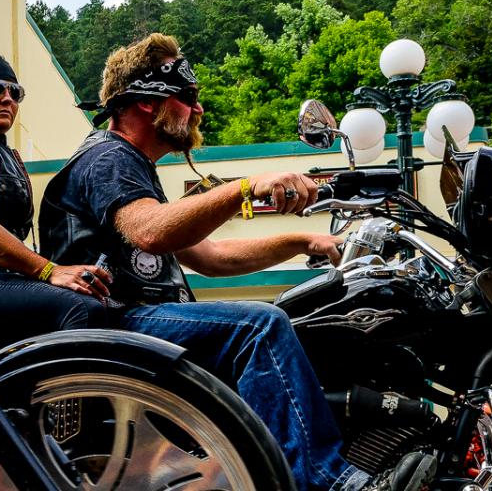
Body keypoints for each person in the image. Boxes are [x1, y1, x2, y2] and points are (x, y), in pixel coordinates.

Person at [39, 32, 430, 491]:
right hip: (116, 324)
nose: (198, 109)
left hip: (137, 325)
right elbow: (151, 230)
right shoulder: (108, 158)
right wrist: (246, 187)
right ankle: (328, 482)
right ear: (146, 103)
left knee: (295, 319)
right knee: (260, 326)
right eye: (187, 96)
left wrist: (305, 240)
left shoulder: (130, 166)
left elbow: (211, 256)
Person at [0, 53, 112, 351]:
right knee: (81, 308)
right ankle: (67, 398)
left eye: (15, 92)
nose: (7, 98)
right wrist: (50, 270)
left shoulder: (1, 152)